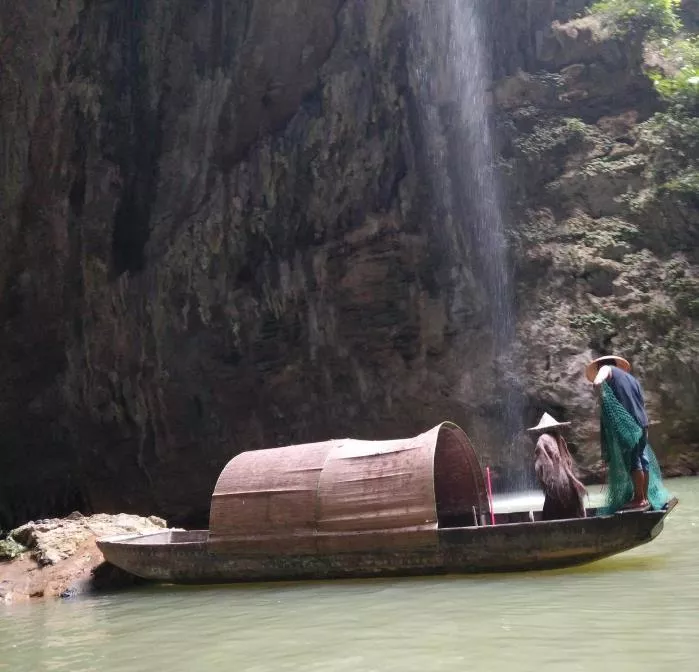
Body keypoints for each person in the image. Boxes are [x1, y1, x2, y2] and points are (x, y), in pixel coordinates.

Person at [585, 354, 650, 510]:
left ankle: (639, 499)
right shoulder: (632, 380)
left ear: (601, 366)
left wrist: (600, 394)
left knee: (633, 459)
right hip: (643, 422)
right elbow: (641, 401)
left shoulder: (606, 369)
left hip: (628, 422)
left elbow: (598, 381)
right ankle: (644, 497)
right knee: (643, 458)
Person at [527, 413, 587, 521]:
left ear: (541, 429)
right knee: (572, 520)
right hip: (569, 489)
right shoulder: (560, 439)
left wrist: (546, 482)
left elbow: (542, 467)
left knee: (551, 519)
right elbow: (568, 463)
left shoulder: (543, 439)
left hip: (555, 490)